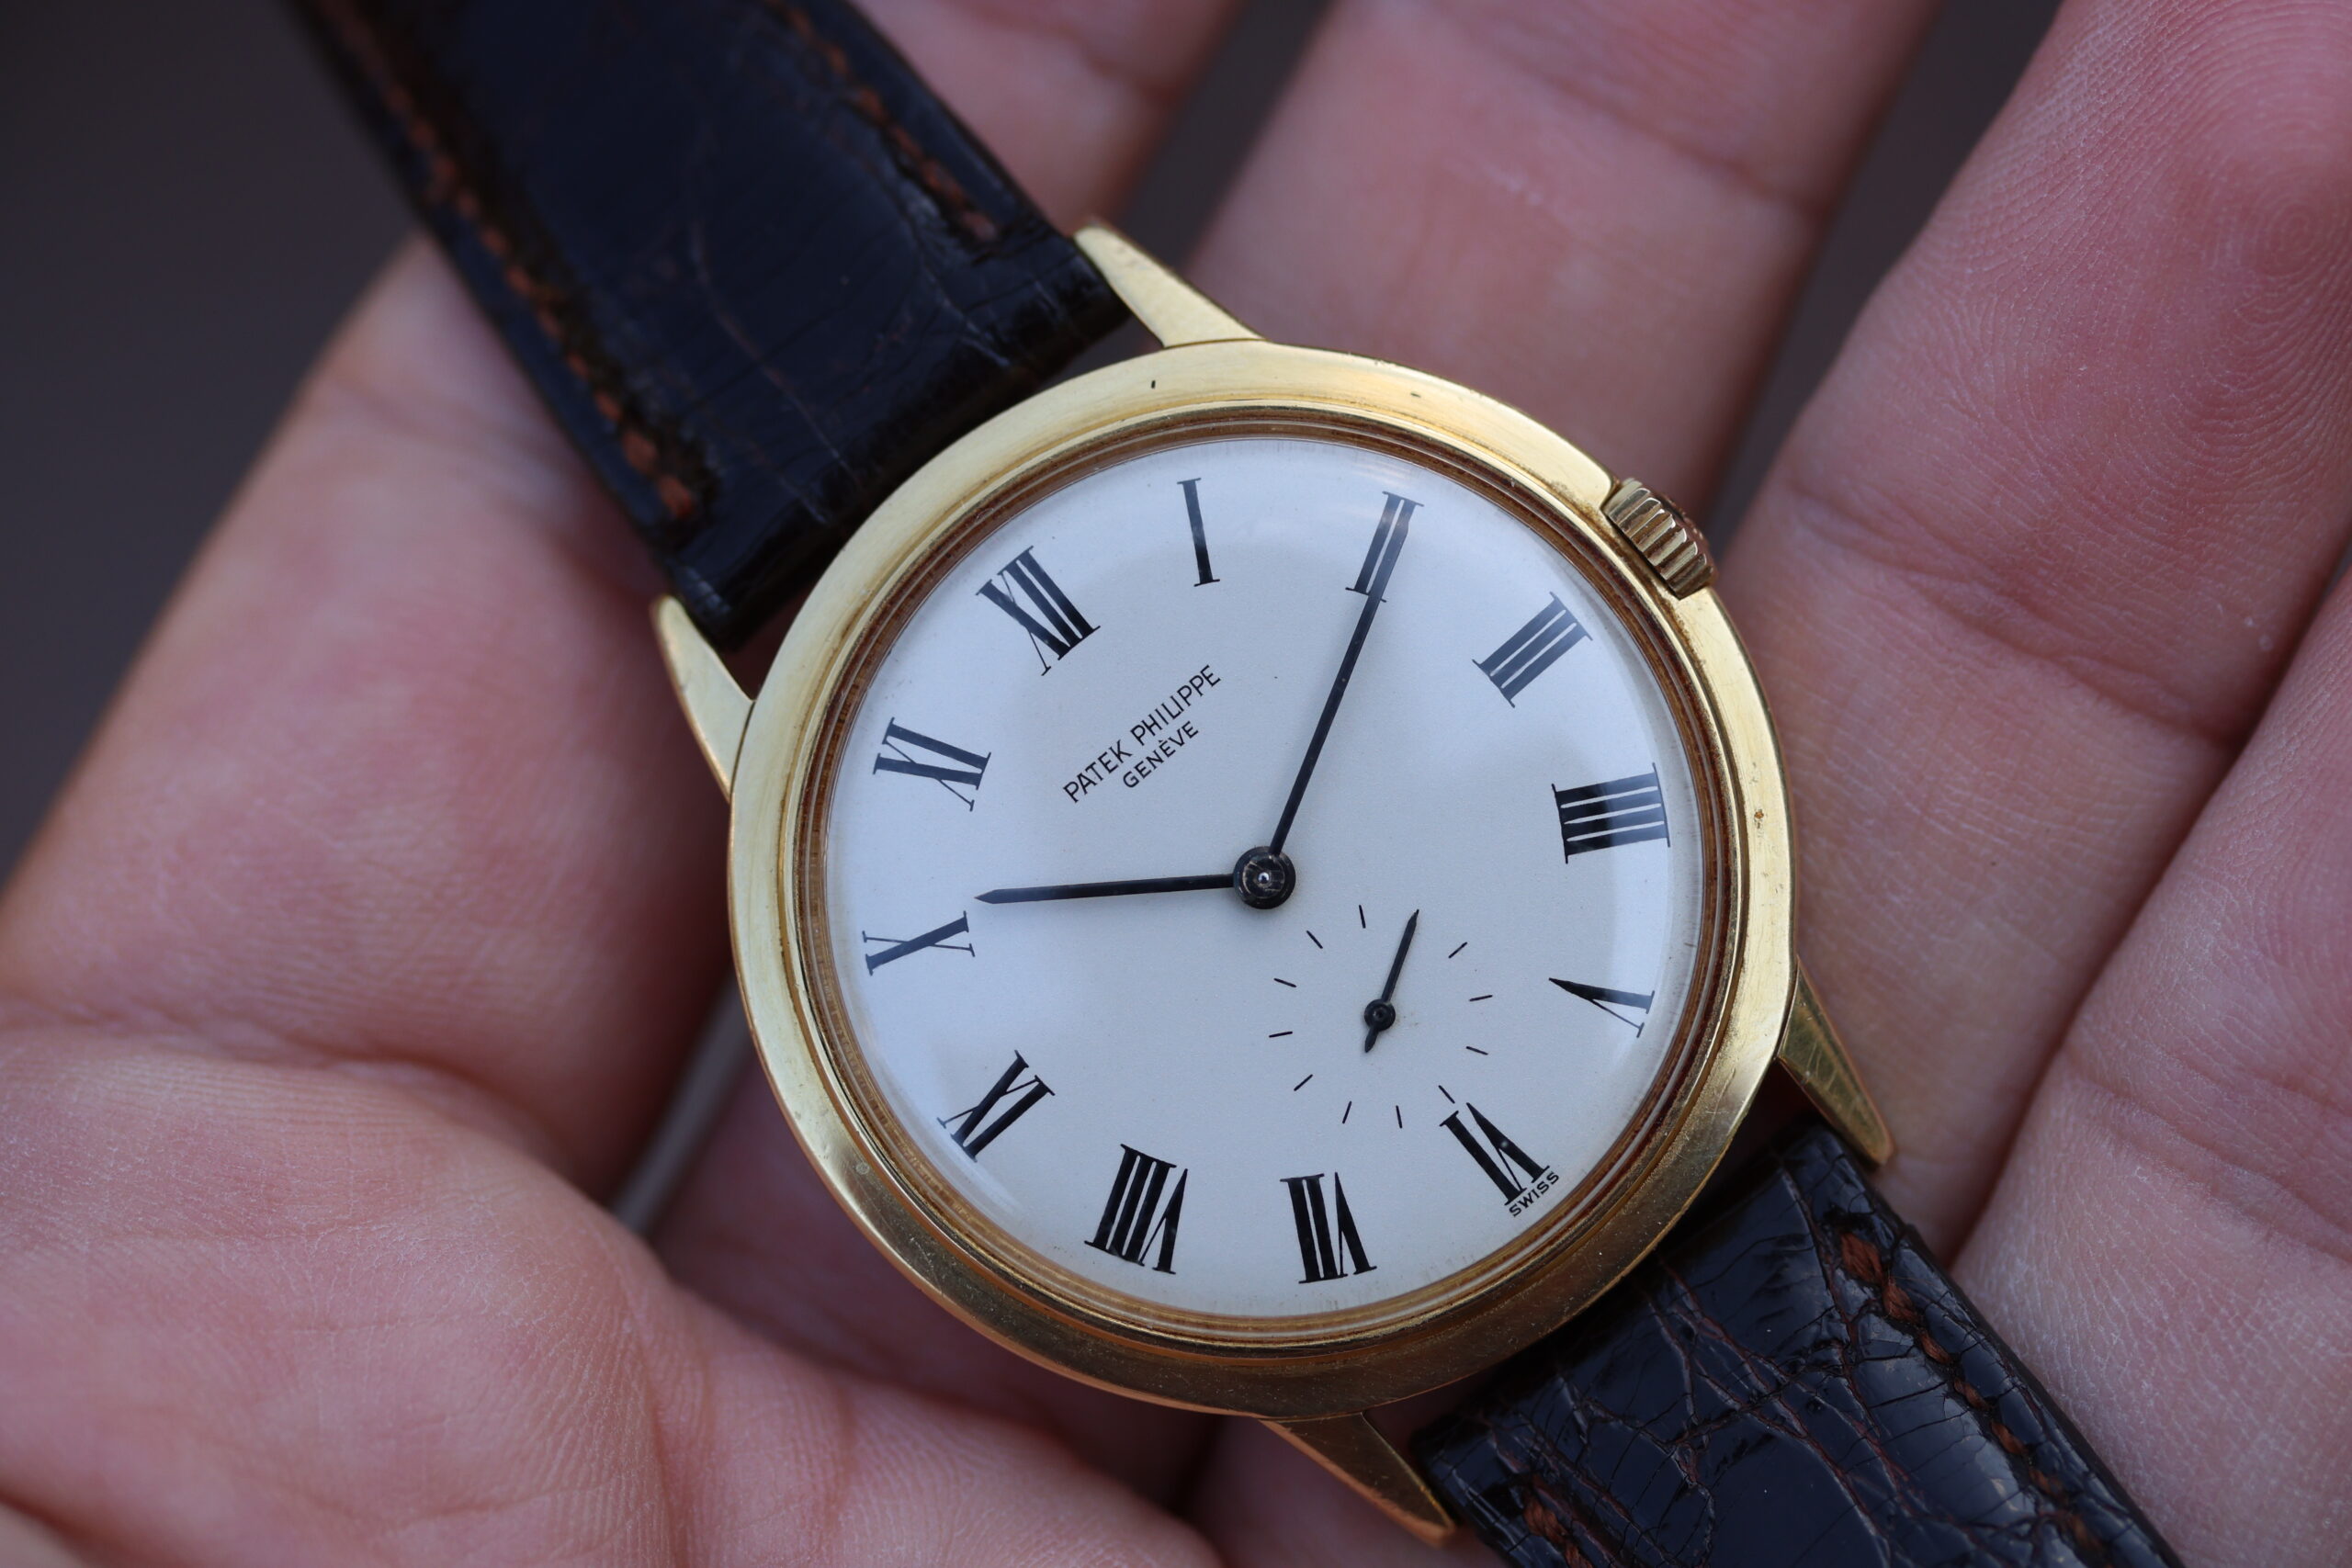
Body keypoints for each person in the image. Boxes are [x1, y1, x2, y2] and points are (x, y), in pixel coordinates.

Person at [1, 1, 2347, 1562]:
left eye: (1258, 848)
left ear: (1623, 559)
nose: (1260, 869)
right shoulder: (850, 795)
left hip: (1675, 1151)